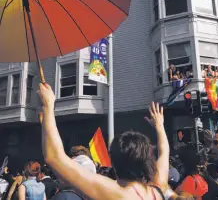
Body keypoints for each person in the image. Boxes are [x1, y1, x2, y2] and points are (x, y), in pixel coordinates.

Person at [37, 83, 170, 200]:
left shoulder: (116, 194)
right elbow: (164, 152)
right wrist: (160, 126)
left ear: (113, 161)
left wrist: (48, 105)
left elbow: (55, 157)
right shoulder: (157, 189)